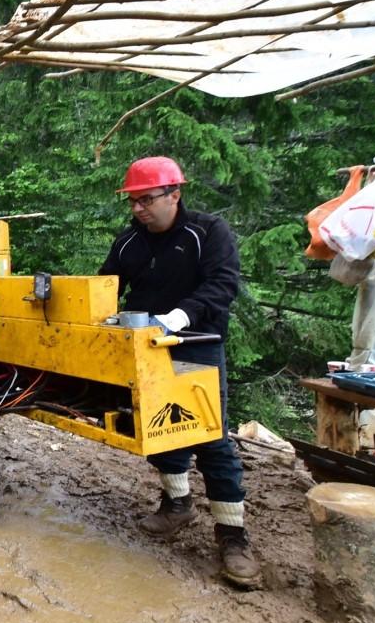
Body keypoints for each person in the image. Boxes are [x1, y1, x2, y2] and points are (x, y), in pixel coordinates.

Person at [99, 156, 262, 588]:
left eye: (147, 199)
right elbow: (106, 285)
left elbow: (221, 285)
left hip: (197, 345)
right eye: (132, 201)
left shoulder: (207, 233)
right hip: (145, 349)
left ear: (175, 194)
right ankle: (177, 504)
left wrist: (178, 317)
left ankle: (233, 537)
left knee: (209, 436)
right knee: (157, 429)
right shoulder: (128, 242)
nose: (138, 208)